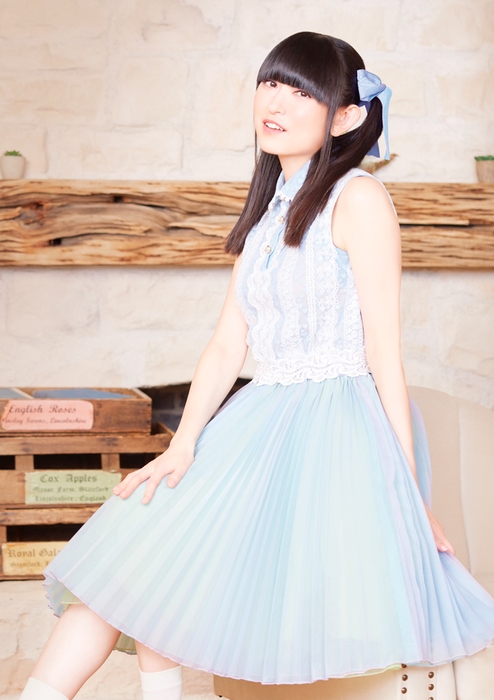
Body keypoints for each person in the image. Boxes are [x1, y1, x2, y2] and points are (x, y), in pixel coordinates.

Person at [20, 31, 494, 700]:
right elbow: (225, 345)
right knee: (135, 565)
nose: (275, 101)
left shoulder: (359, 199)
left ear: (345, 117)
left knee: (157, 575)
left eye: (300, 91)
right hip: (262, 415)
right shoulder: (271, 213)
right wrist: (182, 446)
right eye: (271, 83)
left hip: (333, 431)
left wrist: (412, 497)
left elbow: (385, 353)